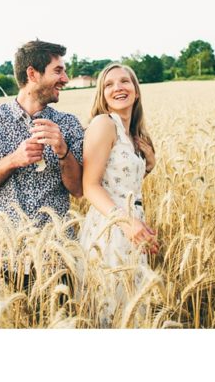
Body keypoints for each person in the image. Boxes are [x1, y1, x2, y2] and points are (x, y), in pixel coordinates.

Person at [0, 39, 84, 243]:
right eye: (58, 71)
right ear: (32, 74)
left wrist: (63, 150)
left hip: (56, 253)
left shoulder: (69, 124)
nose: (65, 78)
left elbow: (78, 189)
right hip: (3, 252)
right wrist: (13, 160)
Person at [79, 62, 158, 324]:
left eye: (125, 81)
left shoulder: (133, 134)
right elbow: (90, 186)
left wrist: (149, 163)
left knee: (132, 310)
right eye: (109, 85)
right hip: (110, 228)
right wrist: (125, 222)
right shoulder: (104, 123)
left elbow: (123, 181)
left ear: (136, 90)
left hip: (132, 227)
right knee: (111, 310)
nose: (118, 88)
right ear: (102, 95)